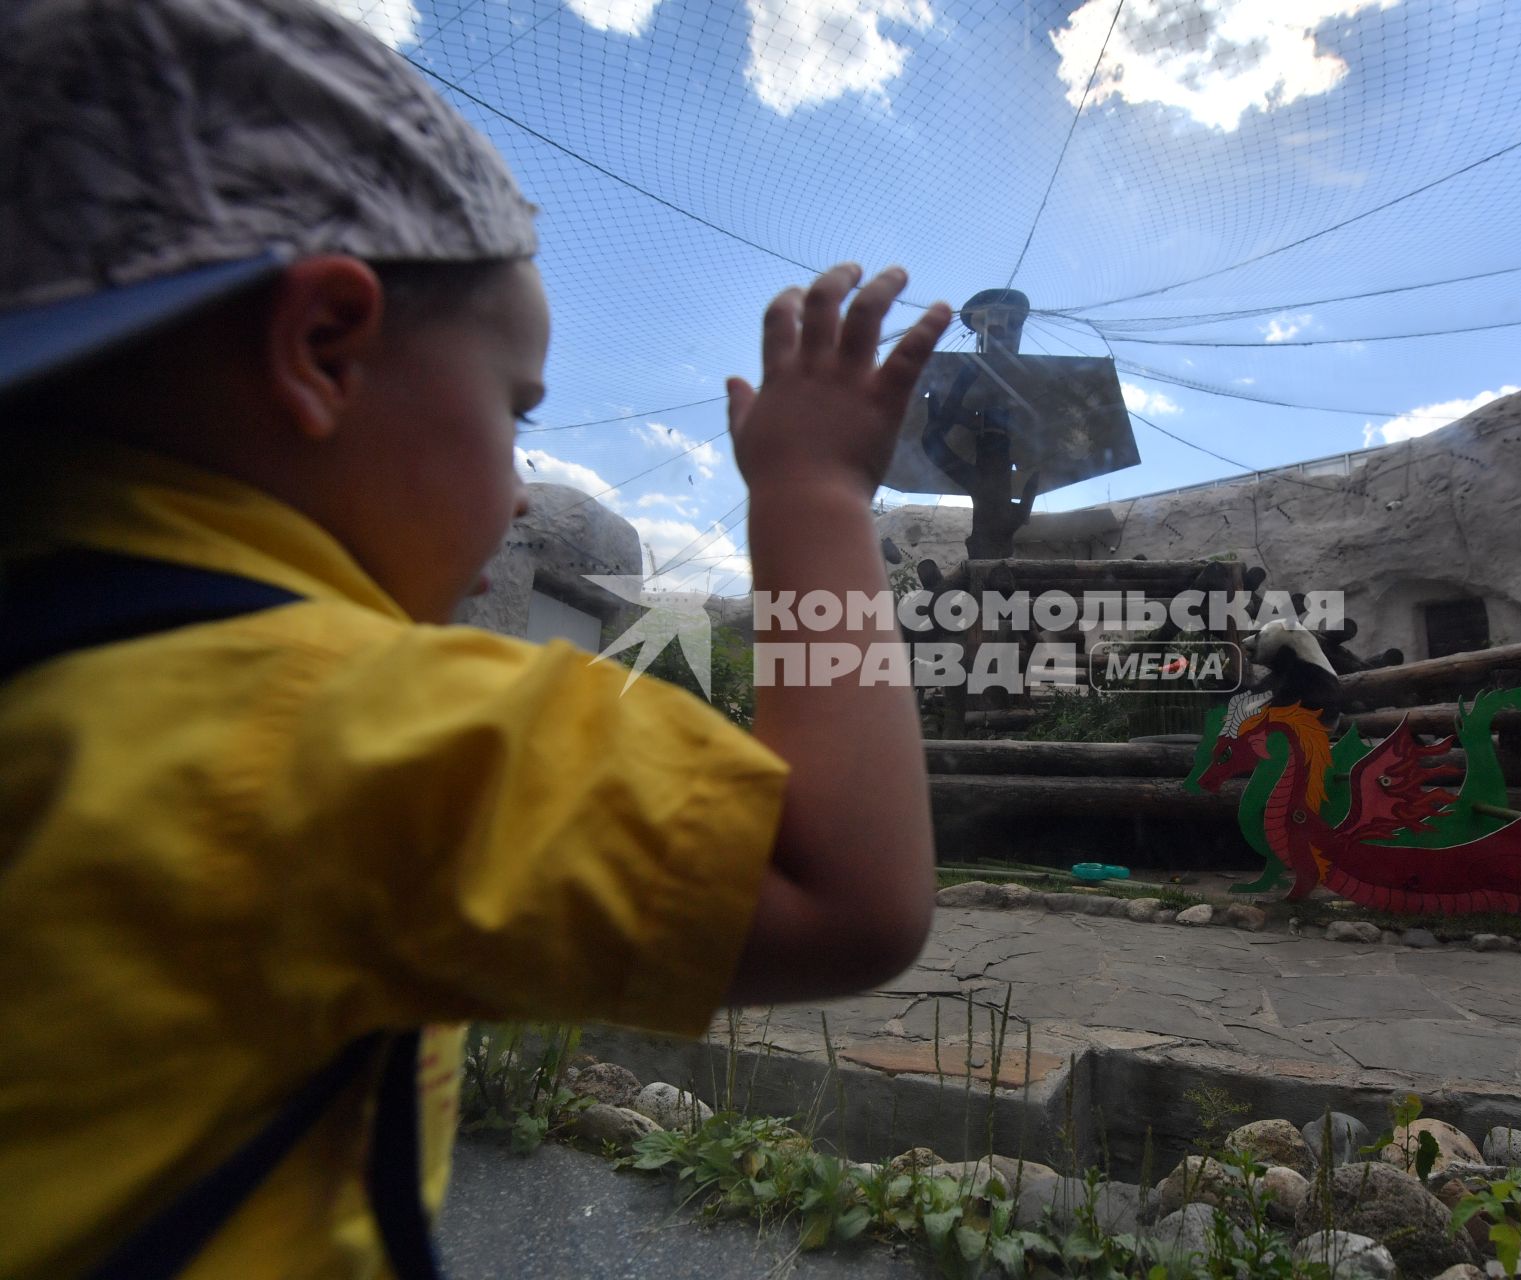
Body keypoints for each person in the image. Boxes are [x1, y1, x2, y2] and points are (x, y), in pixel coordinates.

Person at [0, 1, 948, 1276]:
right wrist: (813, 497)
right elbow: (844, 891)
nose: (515, 490)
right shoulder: (331, 728)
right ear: (324, 349)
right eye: (515, 410)